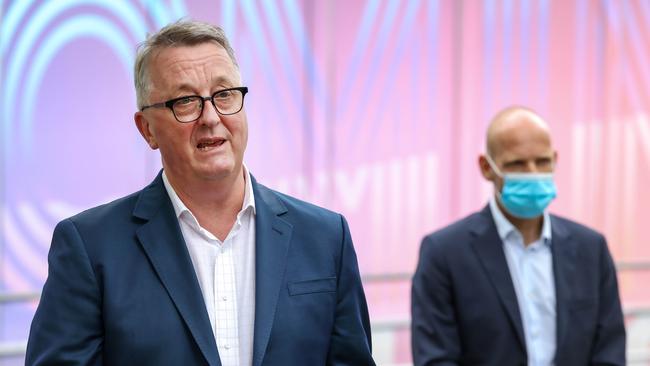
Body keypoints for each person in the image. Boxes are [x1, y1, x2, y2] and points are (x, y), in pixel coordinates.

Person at [26, 20, 374, 366]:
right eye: (186, 101)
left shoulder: (326, 238)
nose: (210, 117)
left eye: (224, 95)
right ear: (147, 129)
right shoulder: (90, 247)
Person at [411, 106, 626, 366]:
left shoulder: (591, 250)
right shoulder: (444, 254)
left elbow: (609, 353)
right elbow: (436, 358)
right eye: (517, 164)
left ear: (555, 159)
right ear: (486, 167)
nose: (533, 173)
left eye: (542, 161)